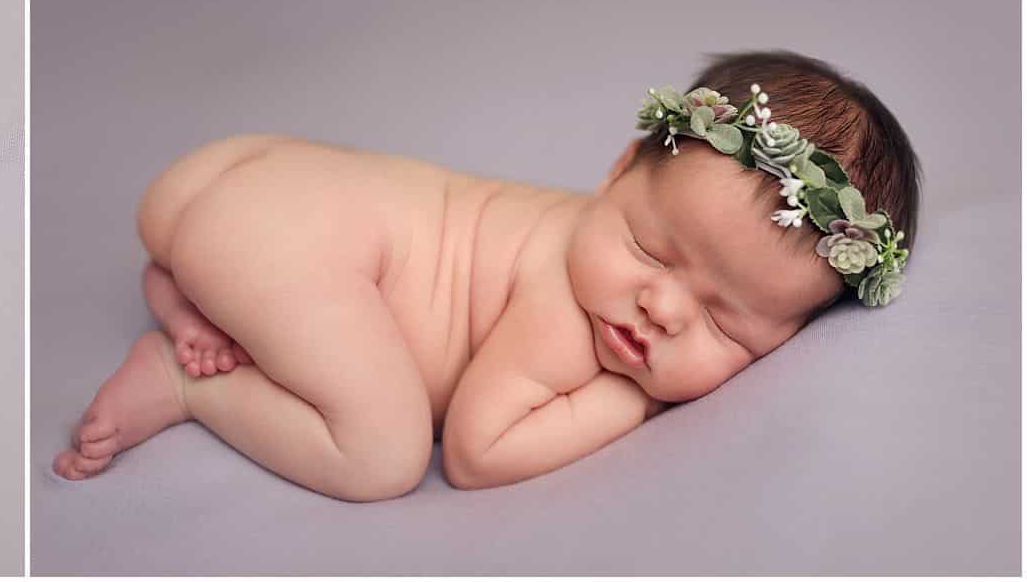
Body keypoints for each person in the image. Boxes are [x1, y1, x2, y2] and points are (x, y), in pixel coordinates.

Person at [53, 52, 916, 497]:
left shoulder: (596, 233)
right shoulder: (563, 307)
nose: (660, 307)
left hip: (250, 188)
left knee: (312, 249)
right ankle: (184, 378)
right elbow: (474, 450)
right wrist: (632, 398)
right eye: (652, 252)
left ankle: (190, 283)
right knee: (383, 456)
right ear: (616, 169)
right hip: (290, 235)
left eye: (727, 324)